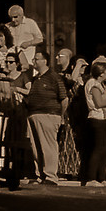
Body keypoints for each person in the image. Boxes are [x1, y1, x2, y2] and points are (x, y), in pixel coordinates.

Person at [22, 48, 68, 184]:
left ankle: (50, 176)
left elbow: (64, 99)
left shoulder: (54, 77)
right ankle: (40, 174)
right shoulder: (36, 78)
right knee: (36, 147)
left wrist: (60, 116)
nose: (34, 61)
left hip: (49, 115)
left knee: (48, 146)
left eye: (36, 59)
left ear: (45, 61)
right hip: (34, 114)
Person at [82, 57, 106, 186]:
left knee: (104, 148)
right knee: (98, 148)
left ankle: (102, 177)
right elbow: (99, 102)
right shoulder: (93, 84)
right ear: (101, 72)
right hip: (96, 118)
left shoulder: (100, 84)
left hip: (103, 118)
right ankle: (91, 178)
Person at [5, 0, 44, 67]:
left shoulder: (30, 23)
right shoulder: (8, 26)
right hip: (12, 63)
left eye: (15, 17)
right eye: (11, 17)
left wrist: (28, 43)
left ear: (22, 15)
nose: (13, 20)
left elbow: (40, 39)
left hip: (27, 61)